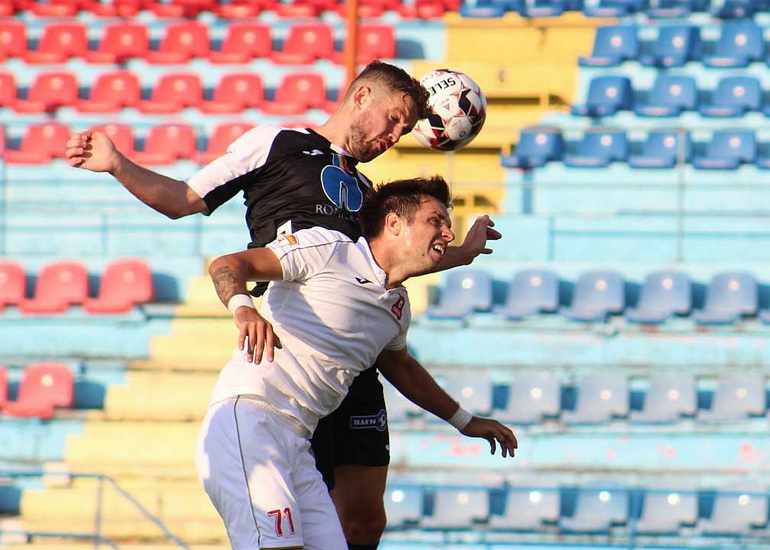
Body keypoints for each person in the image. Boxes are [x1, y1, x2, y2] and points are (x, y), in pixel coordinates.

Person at [64, 60, 501, 549]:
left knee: (362, 525)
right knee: (280, 526)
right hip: (286, 345)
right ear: (360, 98)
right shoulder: (277, 143)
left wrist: (459, 254)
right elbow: (182, 198)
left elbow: (384, 266)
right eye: (395, 119)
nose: (398, 135)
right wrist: (118, 163)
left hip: (346, 364)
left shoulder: (367, 193)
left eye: (405, 128)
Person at [201, 175, 517, 550]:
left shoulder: (396, 308)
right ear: (394, 223)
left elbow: (401, 367)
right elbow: (228, 264)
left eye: (448, 225)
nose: (447, 234)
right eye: (436, 221)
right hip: (250, 420)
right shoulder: (328, 249)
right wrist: (244, 311)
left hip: (298, 440)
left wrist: (465, 420)